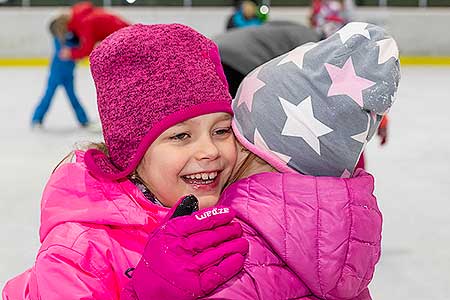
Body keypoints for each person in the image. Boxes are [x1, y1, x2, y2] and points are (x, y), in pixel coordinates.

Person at [123, 22, 400, 299]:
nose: (211, 151)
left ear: (249, 146)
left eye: (224, 131)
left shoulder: (230, 253)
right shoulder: (345, 252)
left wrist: (148, 291)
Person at [2, 23, 248, 300]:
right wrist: (147, 293)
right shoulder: (80, 252)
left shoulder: (240, 213)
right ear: (132, 152)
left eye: (221, 131)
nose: (210, 151)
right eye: (180, 136)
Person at [214, 20, 320, 97]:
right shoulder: (310, 39)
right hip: (233, 58)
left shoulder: (294, 28)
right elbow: (306, 73)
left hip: (219, 47)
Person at [31, 14, 89, 128]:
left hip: (68, 74)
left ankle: (83, 120)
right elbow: (64, 53)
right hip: (56, 74)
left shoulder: (73, 36)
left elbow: (78, 49)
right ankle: (37, 119)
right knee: (48, 96)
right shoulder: (58, 39)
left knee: (73, 98)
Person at [59, 1, 130, 60]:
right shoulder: (79, 14)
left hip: (125, 38)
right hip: (126, 31)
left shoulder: (83, 23)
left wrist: (71, 53)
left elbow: (87, 49)